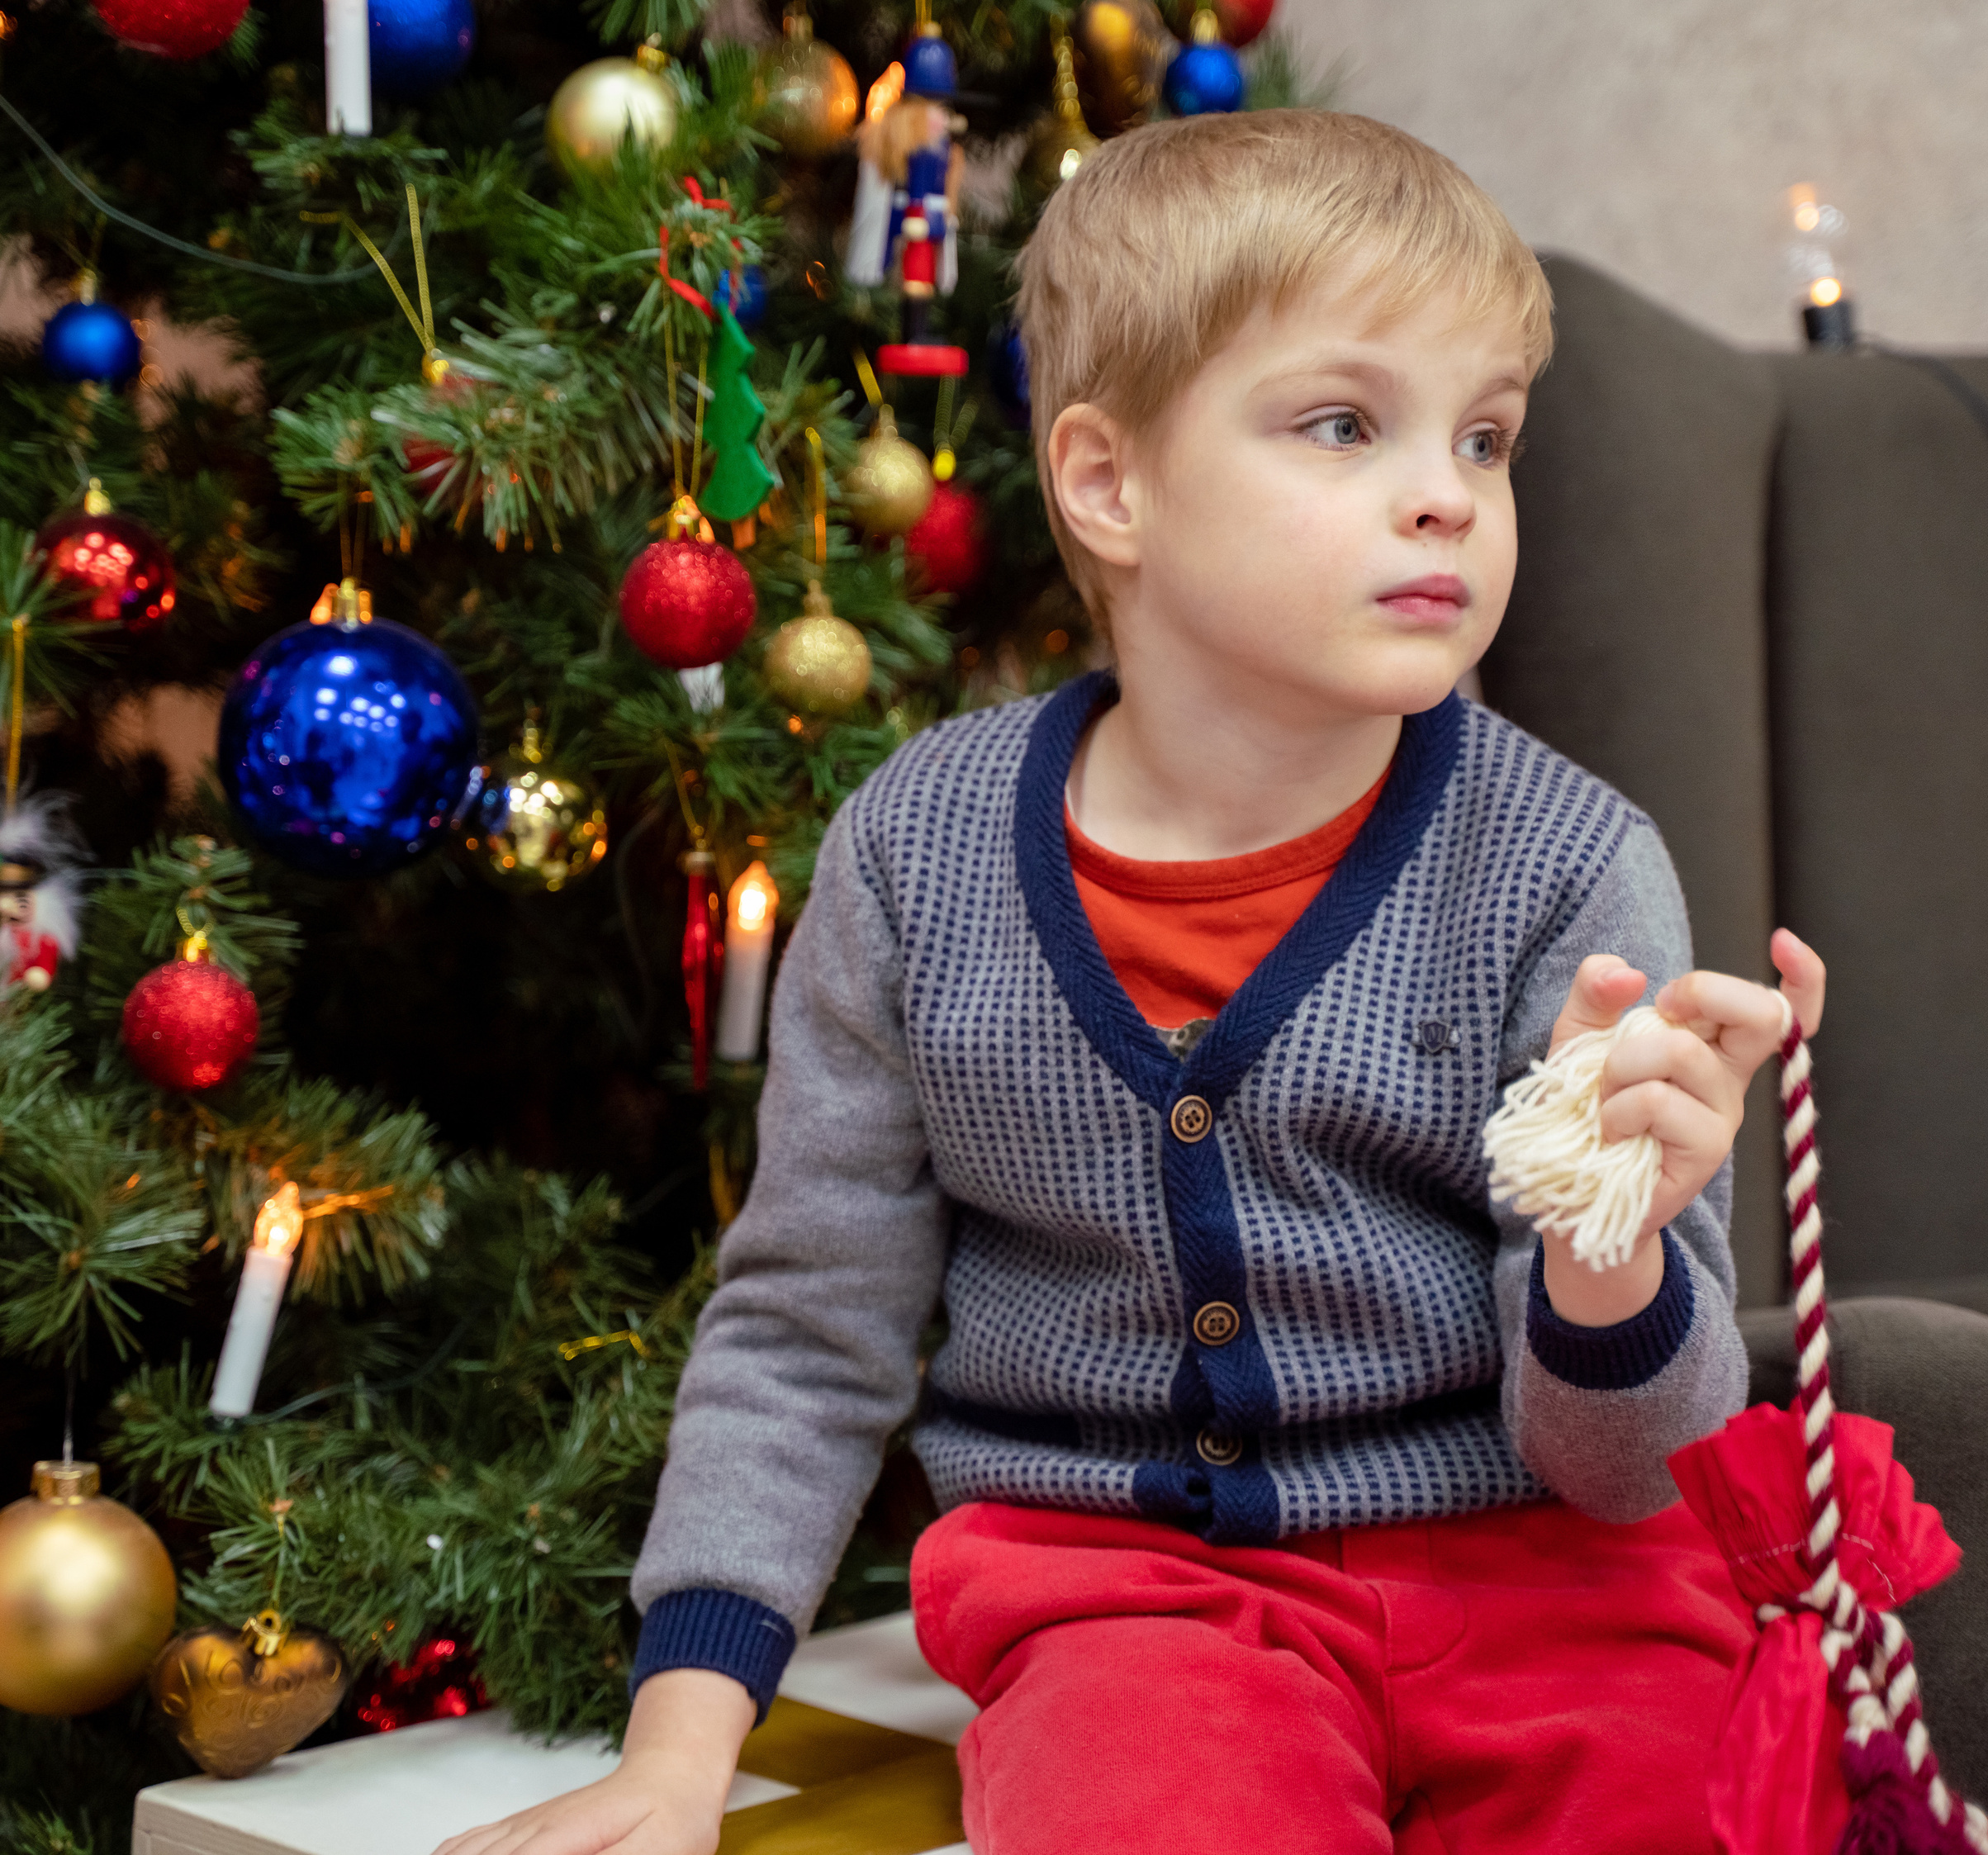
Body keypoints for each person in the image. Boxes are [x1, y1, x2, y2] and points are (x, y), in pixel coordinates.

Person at [434, 108, 1827, 1855]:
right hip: (1132, 1603)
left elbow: (1623, 1470)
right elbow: (805, 1332)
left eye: (1485, 438)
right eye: (1343, 422)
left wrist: (1599, 1245)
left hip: (1554, 1582)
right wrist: (676, 1754)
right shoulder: (911, 859)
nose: (1444, 493)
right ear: (1108, 482)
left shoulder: (1568, 863)